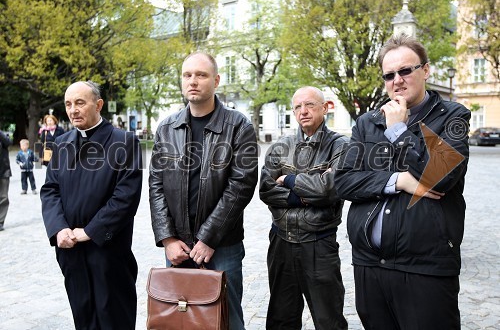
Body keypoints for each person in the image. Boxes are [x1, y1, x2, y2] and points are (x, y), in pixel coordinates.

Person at [334, 34, 471, 330]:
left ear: (426, 70)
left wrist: (399, 131)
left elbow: (443, 177)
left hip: (426, 267)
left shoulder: (453, 117)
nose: (397, 80)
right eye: (389, 75)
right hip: (370, 264)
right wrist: (398, 181)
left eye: (405, 70)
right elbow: (344, 182)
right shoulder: (367, 122)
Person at [149, 52, 258, 330]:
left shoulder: (238, 126)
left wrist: (209, 237)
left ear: (216, 80)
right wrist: (167, 238)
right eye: (187, 75)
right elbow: (156, 185)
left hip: (223, 245)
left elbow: (241, 185)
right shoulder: (167, 127)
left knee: (227, 319)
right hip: (178, 247)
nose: (193, 81)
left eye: (201, 75)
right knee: (180, 320)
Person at [40, 81, 143, 329]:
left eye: (80, 102)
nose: (73, 110)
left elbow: (125, 197)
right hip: (71, 251)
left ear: (98, 105)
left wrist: (90, 231)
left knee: (114, 318)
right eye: (68, 104)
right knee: (83, 318)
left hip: (107, 252)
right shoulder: (61, 143)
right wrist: (58, 229)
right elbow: (50, 190)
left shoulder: (124, 142)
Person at [259, 86, 349, 330]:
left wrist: (288, 181)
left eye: (309, 105)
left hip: (319, 243)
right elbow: (266, 190)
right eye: (298, 107)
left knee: (328, 319)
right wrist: (304, 197)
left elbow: (331, 189)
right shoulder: (281, 147)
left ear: (325, 107)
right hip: (281, 243)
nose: (303, 111)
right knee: (281, 318)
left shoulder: (340, 145)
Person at [0, 130, 12, 231]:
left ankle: (0, 221)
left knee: (3, 197)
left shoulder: (3, 135)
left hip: (3, 170)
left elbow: (8, 142)